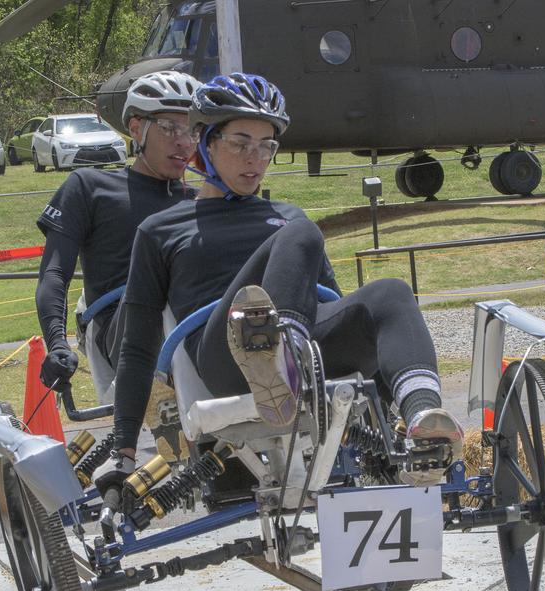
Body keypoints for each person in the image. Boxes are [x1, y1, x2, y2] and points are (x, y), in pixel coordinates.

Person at [99, 73, 463, 495]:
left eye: (266, 146)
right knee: (302, 232)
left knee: (391, 293)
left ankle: (424, 428)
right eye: (239, 143)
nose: (254, 158)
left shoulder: (286, 215)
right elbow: (138, 346)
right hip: (224, 356)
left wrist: (381, 427)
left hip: (305, 347)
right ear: (206, 144)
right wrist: (123, 450)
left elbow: (339, 312)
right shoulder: (160, 230)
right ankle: (277, 359)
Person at [34, 71, 201, 400]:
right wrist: (56, 343)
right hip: (120, 327)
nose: (184, 142)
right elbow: (53, 273)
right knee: (161, 293)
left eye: (193, 131)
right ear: (136, 129)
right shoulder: (89, 187)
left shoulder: (198, 200)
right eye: (170, 128)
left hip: (189, 324)